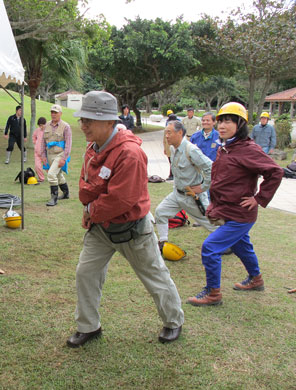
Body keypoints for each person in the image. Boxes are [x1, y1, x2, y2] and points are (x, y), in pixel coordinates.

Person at [66, 91, 184, 348]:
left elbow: (121, 199)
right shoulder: (92, 147)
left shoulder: (129, 153)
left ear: (110, 121)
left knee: (155, 276)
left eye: (90, 120)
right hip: (101, 229)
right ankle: (89, 326)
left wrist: (91, 210)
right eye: (82, 119)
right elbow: (86, 184)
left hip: (133, 229)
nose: (83, 125)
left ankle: (173, 321)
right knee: (86, 273)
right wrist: (90, 209)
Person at [187, 102, 283, 306]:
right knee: (242, 247)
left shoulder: (248, 149)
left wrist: (258, 198)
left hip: (241, 214)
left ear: (240, 124)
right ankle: (256, 280)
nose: (221, 125)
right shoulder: (227, 146)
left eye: (228, 121)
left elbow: (275, 172)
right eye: (220, 121)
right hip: (228, 210)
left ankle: (213, 294)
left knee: (210, 247)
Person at [155, 121, 217, 251]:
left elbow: (211, 167)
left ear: (180, 133)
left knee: (210, 223)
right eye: (166, 132)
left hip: (193, 197)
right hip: (177, 194)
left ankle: (229, 245)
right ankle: (163, 242)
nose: (166, 136)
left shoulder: (191, 150)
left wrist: (203, 187)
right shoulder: (173, 149)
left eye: (169, 132)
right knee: (160, 212)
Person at [40, 104, 71, 206]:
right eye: (52, 112)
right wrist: (43, 156)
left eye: (56, 112)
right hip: (49, 154)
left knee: (51, 174)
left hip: (60, 154)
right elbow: (43, 142)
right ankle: (66, 193)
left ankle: (54, 198)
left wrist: (64, 158)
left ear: (60, 114)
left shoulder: (66, 126)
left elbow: (68, 144)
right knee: (58, 174)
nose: (53, 114)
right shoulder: (46, 125)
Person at [32, 117, 46, 182]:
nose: (41, 127)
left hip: (45, 153)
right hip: (37, 152)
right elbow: (34, 136)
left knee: (48, 167)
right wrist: (35, 144)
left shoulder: (48, 131)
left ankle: (54, 177)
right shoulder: (37, 130)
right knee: (37, 166)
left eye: (41, 125)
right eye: (39, 125)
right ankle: (41, 178)